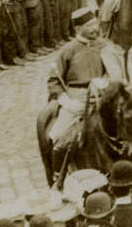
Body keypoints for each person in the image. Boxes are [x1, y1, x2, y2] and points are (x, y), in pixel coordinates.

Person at [46, 8, 124, 150]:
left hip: (103, 97)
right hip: (77, 100)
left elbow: (117, 74)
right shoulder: (68, 50)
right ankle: (58, 164)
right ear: (78, 29)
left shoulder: (104, 46)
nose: (95, 28)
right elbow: (53, 81)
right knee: (57, 136)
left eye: (95, 23)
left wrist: (107, 82)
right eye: (89, 25)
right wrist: (67, 102)